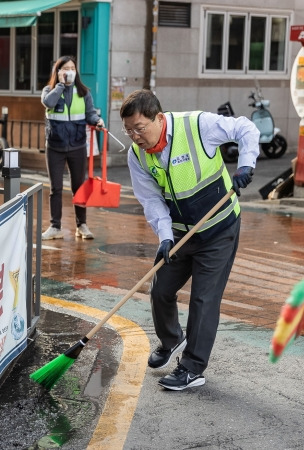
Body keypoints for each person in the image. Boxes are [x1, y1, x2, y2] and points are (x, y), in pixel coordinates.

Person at [119, 89, 260, 390]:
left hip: (219, 228)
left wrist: (246, 164)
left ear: (158, 118)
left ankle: (193, 367)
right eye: (128, 130)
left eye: (139, 128)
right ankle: (172, 339)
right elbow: (151, 200)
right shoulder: (137, 156)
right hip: (182, 233)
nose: (134, 136)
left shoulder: (197, 126)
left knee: (203, 300)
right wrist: (165, 237)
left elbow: (245, 128)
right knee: (160, 289)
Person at [41, 56, 104, 240]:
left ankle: (82, 225)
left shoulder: (84, 92)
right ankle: (55, 227)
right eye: (65, 68)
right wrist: (60, 85)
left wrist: (97, 121)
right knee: (56, 188)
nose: (69, 71)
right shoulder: (49, 90)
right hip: (55, 146)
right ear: (58, 71)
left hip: (77, 145)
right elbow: (48, 103)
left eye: (72, 68)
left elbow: (90, 113)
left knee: (79, 187)